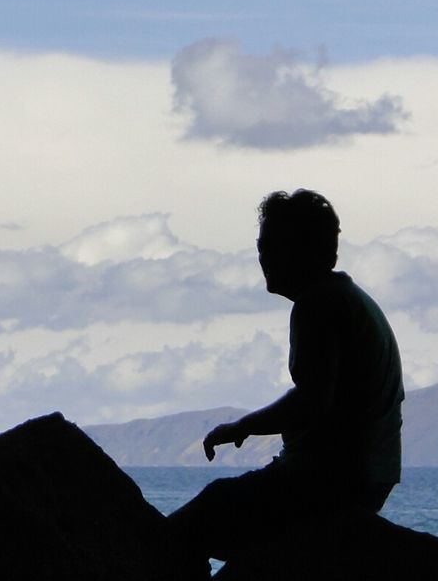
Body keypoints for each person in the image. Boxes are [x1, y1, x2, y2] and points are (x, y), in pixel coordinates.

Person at [168, 189, 404, 563]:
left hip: (327, 483)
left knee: (186, 529)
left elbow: (312, 400)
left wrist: (242, 426)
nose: (262, 256)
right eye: (261, 246)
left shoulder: (319, 304)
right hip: (366, 479)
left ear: (300, 249)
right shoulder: (348, 298)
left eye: (271, 245)